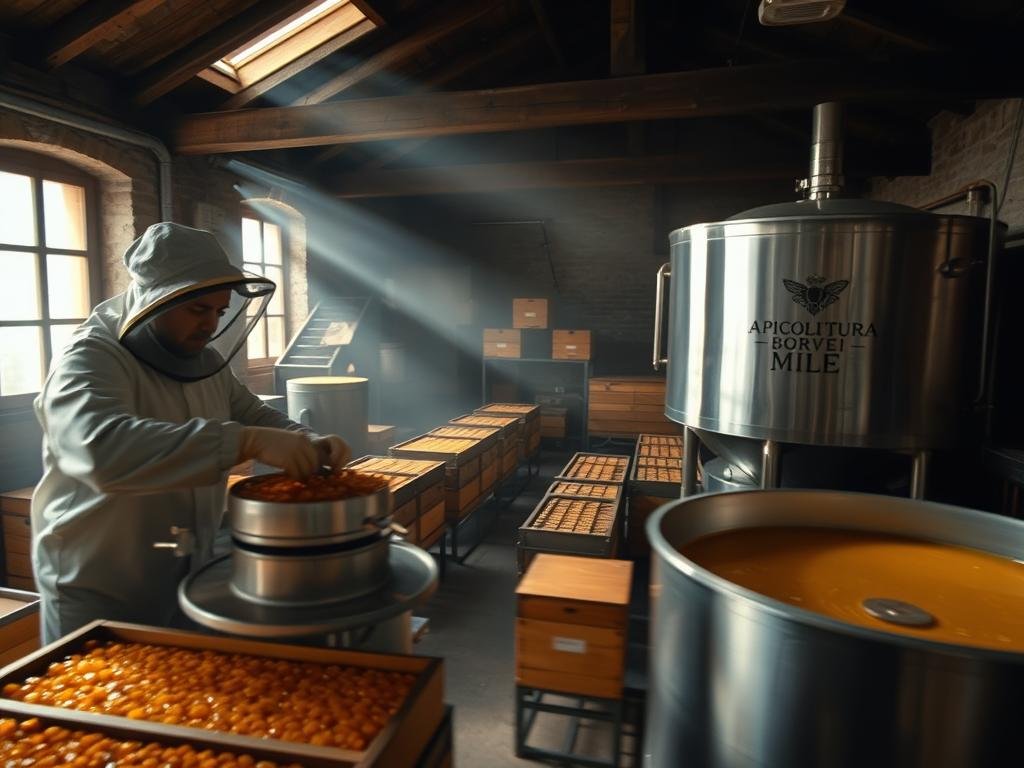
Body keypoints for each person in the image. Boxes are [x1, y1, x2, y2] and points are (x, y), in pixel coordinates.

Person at [31, 222, 350, 643]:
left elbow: (247, 409)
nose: (210, 325)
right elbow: (100, 450)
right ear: (153, 300)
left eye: (219, 311)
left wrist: (304, 437)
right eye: (198, 310)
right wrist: (245, 441)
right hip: (101, 583)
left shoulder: (199, 354)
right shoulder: (90, 357)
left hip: (184, 569)